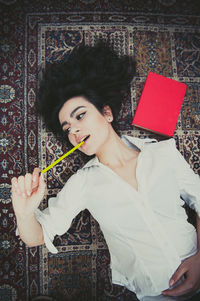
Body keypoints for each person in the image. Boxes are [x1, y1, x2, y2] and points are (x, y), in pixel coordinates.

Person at [11, 40, 200, 301]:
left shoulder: (162, 153)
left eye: (80, 116)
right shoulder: (82, 184)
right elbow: (37, 236)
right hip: (157, 295)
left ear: (107, 113)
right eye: (67, 129)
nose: (74, 131)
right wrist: (24, 212)